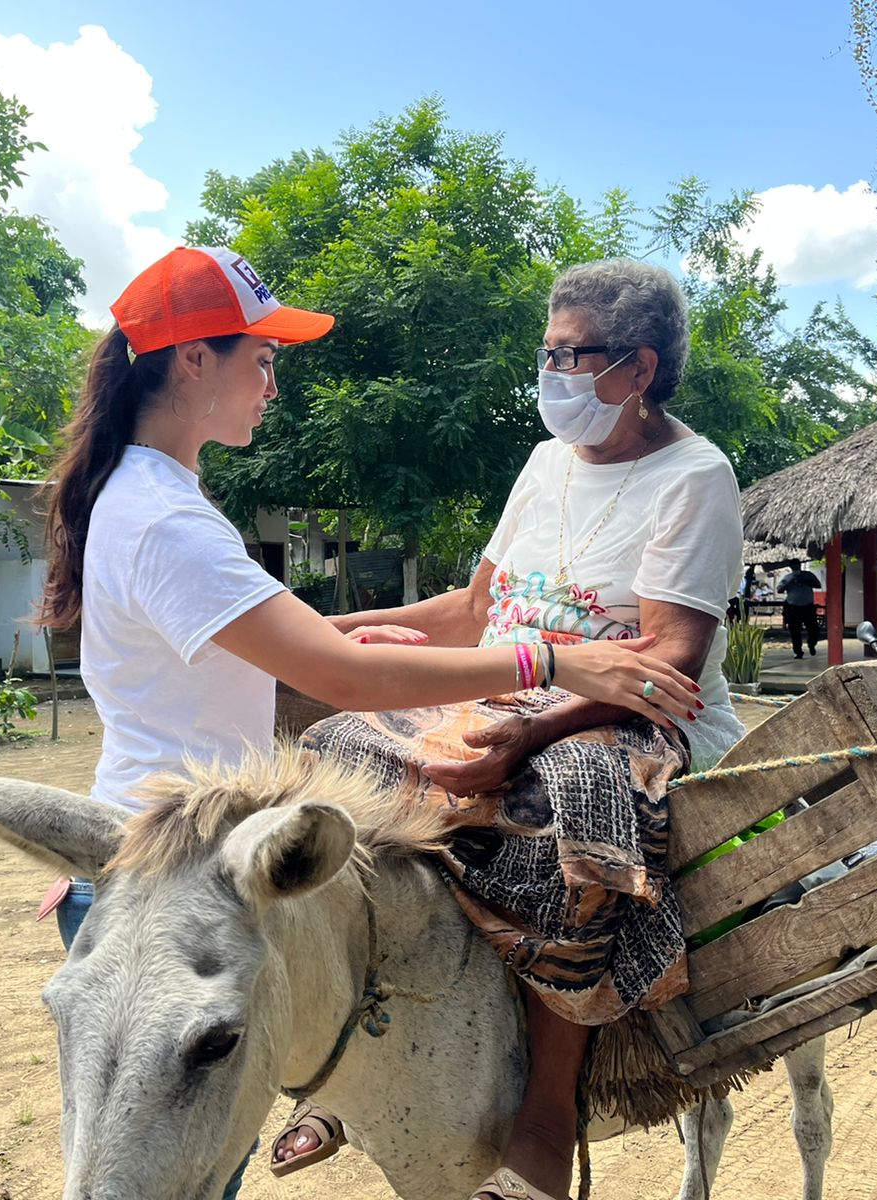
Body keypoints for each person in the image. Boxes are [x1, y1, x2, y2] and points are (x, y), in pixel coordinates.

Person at [35, 247, 700, 1197]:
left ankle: (403, 1077)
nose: (273, 382)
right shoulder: (167, 518)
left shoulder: (152, 497)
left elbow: (256, 639)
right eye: (261, 358)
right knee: (167, 1175)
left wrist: (341, 632)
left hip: (164, 844)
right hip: (182, 879)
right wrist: (553, 660)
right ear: (192, 359)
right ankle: (530, 1103)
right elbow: (338, 675)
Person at [305, 258, 747, 1200]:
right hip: (497, 692)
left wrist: (524, 740)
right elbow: (474, 611)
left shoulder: (696, 475)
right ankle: (363, 1046)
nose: (550, 374)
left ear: (637, 368)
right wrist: (328, 638)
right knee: (334, 749)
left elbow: (669, 662)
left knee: (577, 793)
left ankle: (546, 1116)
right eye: (545, 351)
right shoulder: (546, 461)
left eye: (569, 354)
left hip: (622, 719)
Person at [778, 561, 822, 659]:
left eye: (797, 565)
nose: (795, 567)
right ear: (791, 567)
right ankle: (798, 652)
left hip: (807, 606)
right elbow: (779, 590)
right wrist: (790, 582)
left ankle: (811, 644)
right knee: (795, 631)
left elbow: (818, 585)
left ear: (800, 565)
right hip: (793, 606)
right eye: (793, 566)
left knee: (813, 629)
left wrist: (805, 581)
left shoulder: (808, 575)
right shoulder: (788, 577)